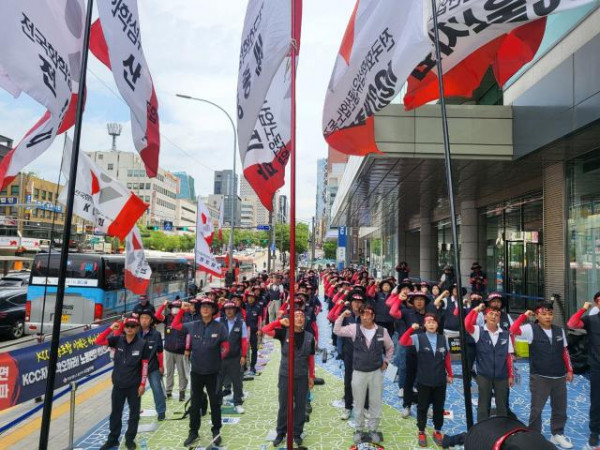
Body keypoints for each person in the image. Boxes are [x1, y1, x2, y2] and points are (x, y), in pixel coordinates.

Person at [510, 302, 574, 449]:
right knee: (536, 409)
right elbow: (513, 330)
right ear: (537, 315)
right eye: (544, 314)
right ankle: (534, 436)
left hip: (559, 376)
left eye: (550, 313)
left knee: (560, 408)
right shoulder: (530, 329)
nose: (548, 317)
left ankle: (557, 433)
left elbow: (565, 351)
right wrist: (524, 315)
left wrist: (569, 370)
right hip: (540, 376)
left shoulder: (559, 330)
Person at [171, 298, 230, 447]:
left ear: (212, 310)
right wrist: (182, 311)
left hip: (213, 373)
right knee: (195, 403)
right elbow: (175, 325)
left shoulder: (220, 327)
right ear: (198, 309)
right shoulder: (192, 325)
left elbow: (226, 346)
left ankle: (216, 431)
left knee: (215, 403)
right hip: (196, 372)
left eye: (208, 307)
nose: (205, 309)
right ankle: (193, 432)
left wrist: (218, 358)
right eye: (202, 306)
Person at [334, 303, 394, 444]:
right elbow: (337, 330)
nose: (365, 316)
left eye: (368, 313)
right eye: (362, 313)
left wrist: (386, 361)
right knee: (359, 403)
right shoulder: (354, 329)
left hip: (376, 372)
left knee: (375, 403)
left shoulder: (382, 331)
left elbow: (390, 347)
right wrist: (342, 315)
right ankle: (359, 429)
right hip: (358, 372)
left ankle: (373, 430)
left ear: (373, 316)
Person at [261, 309, 315, 447]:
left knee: (300, 406)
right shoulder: (283, 333)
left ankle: (297, 433)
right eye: (296, 316)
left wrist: (311, 376)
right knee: (284, 405)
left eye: (302, 316)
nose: (299, 318)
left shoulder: (310, 337)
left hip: (302, 375)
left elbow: (311, 358)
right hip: (285, 375)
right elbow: (265, 329)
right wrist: (279, 321)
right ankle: (281, 432)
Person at [95, 317, 150, 450]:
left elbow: (145, 365)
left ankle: (130, 439)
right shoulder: (117, 340)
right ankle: (113, 439)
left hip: (134, 386)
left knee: (134, 414)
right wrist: (110, 328)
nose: (130, 328)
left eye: (133, 326)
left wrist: (143, 384)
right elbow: (98, 341)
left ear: (137, 328)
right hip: (118, 385)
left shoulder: (143, 344)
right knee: (115, 413)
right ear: (123, 328)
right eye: (127, 326)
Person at [400, 313, 453, 448]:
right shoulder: (418, 338)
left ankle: (437, 430)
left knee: (438, 408)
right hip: (424, 381)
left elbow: (446, 358)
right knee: (422, 407)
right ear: (424, 325)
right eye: (428, 322)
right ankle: (421, 431)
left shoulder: (443, 339)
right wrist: (411, 329)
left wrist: (450, 374)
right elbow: (403, 341)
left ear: (437, 325)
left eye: (433, 322)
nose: (431, 324)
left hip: (440, 381)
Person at [465, 304, 514, 422]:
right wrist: (476, 310)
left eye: (496, 315)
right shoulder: (478, 331)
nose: (493, 316)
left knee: (502, 405)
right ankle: (481, 429)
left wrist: (511, 375)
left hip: (502, 376)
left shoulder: (506, 334)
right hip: (484, 375)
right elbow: (467, 324)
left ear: (499, 318)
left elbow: (509, 357)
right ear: (485, 316)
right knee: (483, 405)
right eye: (491, 314)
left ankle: (502, 429)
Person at [328, 289, 367, 420]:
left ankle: (365, 406)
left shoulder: (367, 315)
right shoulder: (346, 314)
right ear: (350, 302)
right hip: (349, 352)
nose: (357, 304)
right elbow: (332, 320)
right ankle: (347, 407)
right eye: (354, 301)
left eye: (359, 301)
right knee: (348, 380)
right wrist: (341, 312)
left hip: (363, 354)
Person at [567, 293, 600, 447]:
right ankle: (594, 431)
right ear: (596, 303)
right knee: (596, 399)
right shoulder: (591, 320)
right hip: (597, 365)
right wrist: (583, 309)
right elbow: (572, 324)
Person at [216, 300, 247, 414]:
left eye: (231, 309)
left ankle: (238, 403)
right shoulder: (218, 321)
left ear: (235, 310)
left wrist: (243, 355)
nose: (228, 311)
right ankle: (217, 404)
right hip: (220, 358)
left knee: (237, 381)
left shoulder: (241, 323)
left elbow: (244, 341)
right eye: (226, 309)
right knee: (218, 382)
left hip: (235, 357)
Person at [156, 300, 189, 402]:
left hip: (181, 351)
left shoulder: (185, 319)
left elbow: (188, 335)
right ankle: (168, 390)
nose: (174, 309)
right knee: (169, 372)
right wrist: (163, 305)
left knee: (182, 373)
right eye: (172, 307)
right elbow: (156, 316)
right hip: (169, 350)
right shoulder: (167, 318)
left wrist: (187, 349)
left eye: (177, 307)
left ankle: (182, 392)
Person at [137, 310, 166, 421]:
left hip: (152, 366)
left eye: (147, 318)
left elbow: (160, 351)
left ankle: (161, 411)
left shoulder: (156, 334)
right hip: (137, 367)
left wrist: (161, 366)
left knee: (157, 388)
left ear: (151, 320)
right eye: (142, 318)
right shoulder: (135, 332)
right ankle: (136, 411)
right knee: (135, 390)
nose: (144, 320)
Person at [245, 290, 263, 375]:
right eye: (249, 297)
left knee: (254, 349)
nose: (251, 299)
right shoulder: (244, 306)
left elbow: (259, 320)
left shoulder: (258, 307)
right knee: (245, 349)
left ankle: (252, 366)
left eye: (252, 297)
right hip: (244, 332)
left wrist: (260, 329)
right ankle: (245, 366)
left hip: (254, 332)